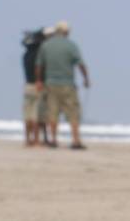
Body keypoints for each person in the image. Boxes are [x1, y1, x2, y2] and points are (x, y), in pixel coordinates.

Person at [35, 21, 90, 150]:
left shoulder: (46, 46)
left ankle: (53, 140)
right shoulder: (71, 45)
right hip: (67, 85)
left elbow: (39, 65)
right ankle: (76, 140)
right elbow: (80, 64)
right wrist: (86, 79)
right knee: (73, 113)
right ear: (66, 32)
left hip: (50, 84)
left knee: (52, 113)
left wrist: (38, 81)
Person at [20, 26, 53, 147]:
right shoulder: (39, 56)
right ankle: (37, 140)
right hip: (38, 86)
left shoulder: (25, 55)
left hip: (27, 85)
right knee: (37, 115)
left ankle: (28, 139)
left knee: (27, 115)